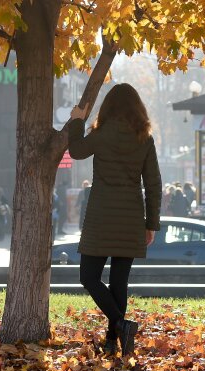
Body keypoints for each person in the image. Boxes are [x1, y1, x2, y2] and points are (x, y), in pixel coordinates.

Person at [68, 83, 162, 356]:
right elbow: (153, 183)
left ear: (108, 106)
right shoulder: (144, 138)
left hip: (101, 216)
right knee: (119, 282)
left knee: (88, 276)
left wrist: (76, 121)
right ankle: (114, 338)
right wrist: (151, 223)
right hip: (131, 217)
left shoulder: (101, 134)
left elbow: (76, 151)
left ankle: (119, 327)